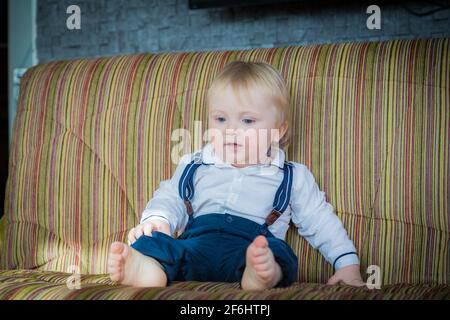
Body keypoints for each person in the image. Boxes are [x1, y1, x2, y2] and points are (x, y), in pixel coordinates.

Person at [107, 61, 365, 290]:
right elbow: (170, 196)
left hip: (248, 249)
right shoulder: (195, 164)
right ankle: (146, 270)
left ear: (277, 130)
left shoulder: (292, 176)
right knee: (154, 242)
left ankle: (260, 275)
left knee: (277, 253)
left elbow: (320, 221)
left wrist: (346, 263)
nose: (231, 129)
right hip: (194, 248)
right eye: (220, 118)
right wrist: (157, 219)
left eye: (248, 121)